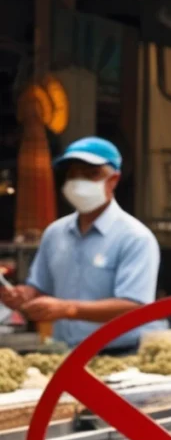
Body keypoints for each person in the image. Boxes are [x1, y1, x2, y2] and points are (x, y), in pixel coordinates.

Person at [0, 136, 162, 354]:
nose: (78, 181)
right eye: (73, 174)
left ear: (113, 180)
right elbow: (39, 287)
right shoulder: (55, 233)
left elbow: (134, 306)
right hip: (63, 352)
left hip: (119, 354)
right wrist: (23, 295)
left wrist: (68, 309)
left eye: (91, 174)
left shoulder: (135, 237)